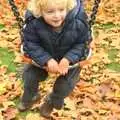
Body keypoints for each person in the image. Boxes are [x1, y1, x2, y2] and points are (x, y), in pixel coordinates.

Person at [18, 0, 92, 118]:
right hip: (43, 57)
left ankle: (52, 101)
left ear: (67, 8)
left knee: (64, 86)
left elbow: (82, 44)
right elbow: (31, 44)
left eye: (61, 10)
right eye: (50, 11)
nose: (57, 15)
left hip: (71, 60)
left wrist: (68, 59)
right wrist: (47, 59)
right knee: (29, 75)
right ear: (40, 11)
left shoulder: (78, 22)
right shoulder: (34, 23)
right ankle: (31, 95)